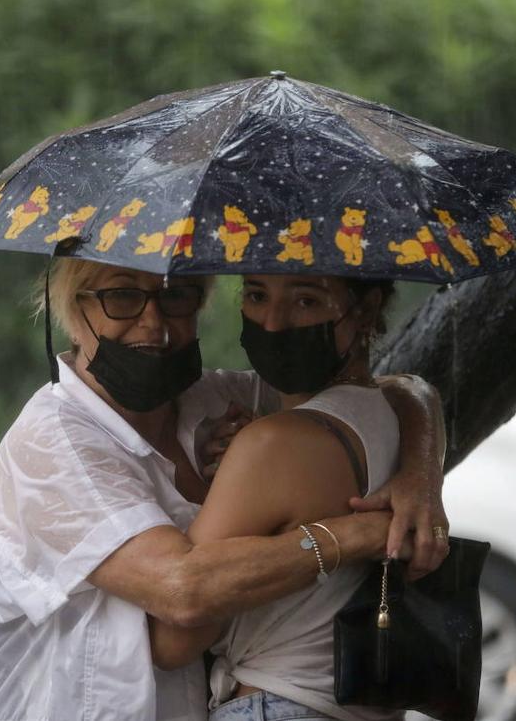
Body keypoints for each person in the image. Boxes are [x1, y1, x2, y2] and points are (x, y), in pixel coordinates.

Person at [0, 259, 448, 721]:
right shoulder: (53, 444)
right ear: (72, 309)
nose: (153, 323)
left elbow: (390, 390)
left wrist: (420, 479)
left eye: (176, 296)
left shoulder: (218, 401)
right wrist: (359, 535)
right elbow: (183, 591)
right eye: (123, 296)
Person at [148, 273, 435, 721]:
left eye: (306, 299)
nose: (274, 322)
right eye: (257, 294)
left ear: (366, 308)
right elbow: (408, 387)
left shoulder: (274, 444)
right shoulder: (384, 418)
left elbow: (173, 639)